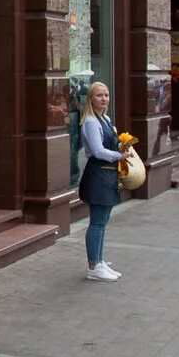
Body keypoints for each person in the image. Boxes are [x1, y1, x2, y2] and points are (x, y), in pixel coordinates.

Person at [76, 82, 125, 281]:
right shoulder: (89, 121)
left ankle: (99, 260)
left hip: (107, 174)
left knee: (103, 221)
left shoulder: (104, 118)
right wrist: (119, 155)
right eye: (99, 95)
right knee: (97, 222)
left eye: (106, 95)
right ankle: (93, 266)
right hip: (98, 174)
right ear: (90, 99)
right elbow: (97, 151)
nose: (103, 98)